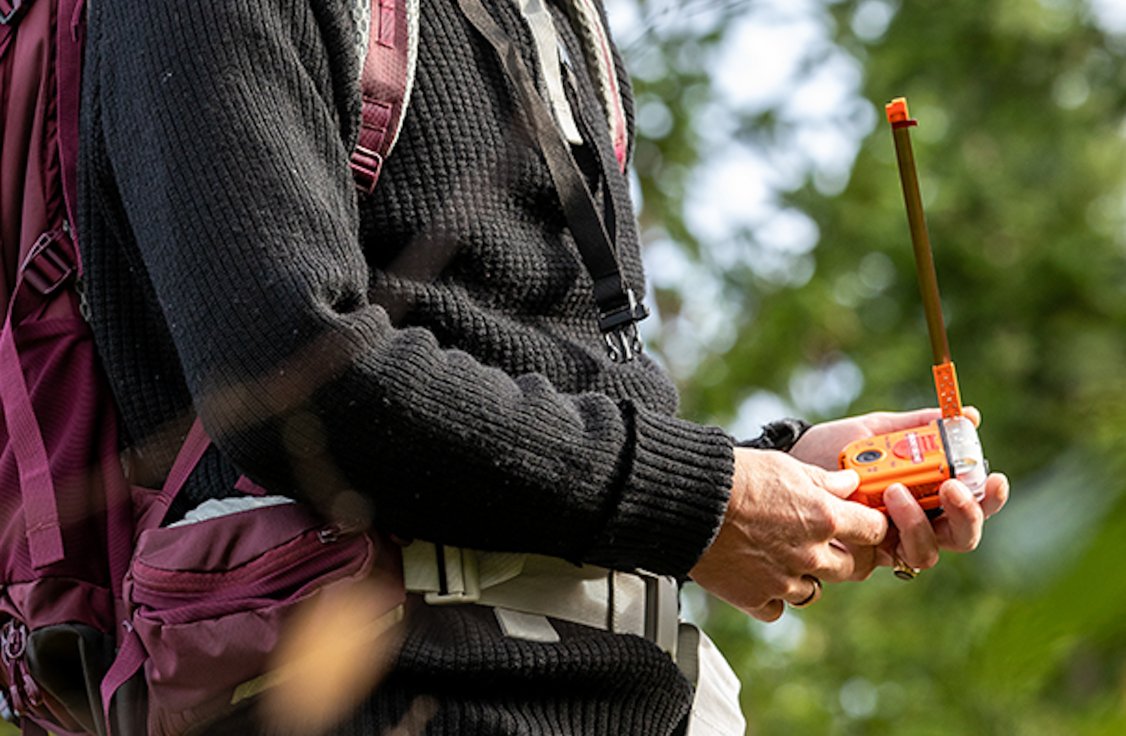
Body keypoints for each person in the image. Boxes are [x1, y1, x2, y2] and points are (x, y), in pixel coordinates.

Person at [77, 0, 1009, 733]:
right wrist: (704, 501)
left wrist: (772, 481)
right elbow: (292, 378)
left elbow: (549, 388)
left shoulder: (562, 17)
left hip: (646, 696)